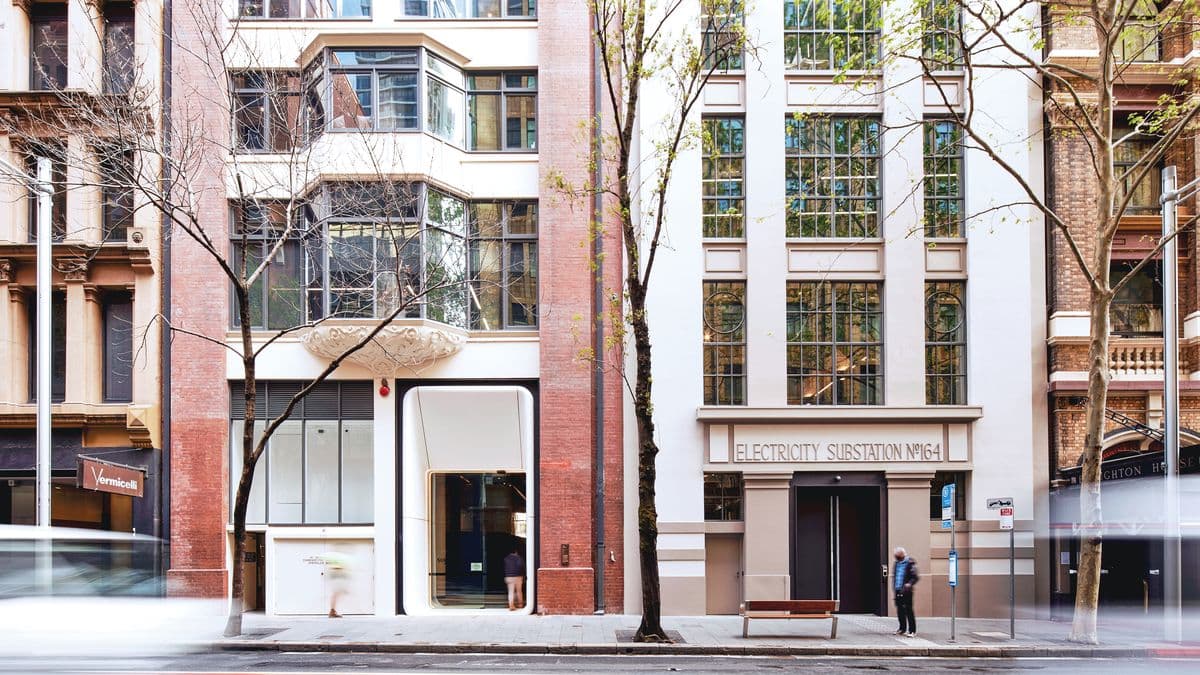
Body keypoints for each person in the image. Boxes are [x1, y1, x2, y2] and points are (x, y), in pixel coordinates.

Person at [892, 547, 919, 637]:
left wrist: (909, 584)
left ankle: (912, 630)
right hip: (898, 589)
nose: (896, 557)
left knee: (909, 610)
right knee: (900, 610)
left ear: (902, 555)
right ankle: (902, 628)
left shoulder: (910, 563)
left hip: (907, 591)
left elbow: (915, 577)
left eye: (897, 556)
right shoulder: (896, 563)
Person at [322, 551, 352, 618]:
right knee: (336, 595)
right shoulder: (335, 568)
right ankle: (332, 611)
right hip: (337, 582)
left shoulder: (335, 568)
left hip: (337, 582)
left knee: (337, 595)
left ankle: (333, 611)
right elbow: (336, 573)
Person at [503, 546, 525, 611]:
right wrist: (524, 575)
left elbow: (504, 568)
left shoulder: (506, 558)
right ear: (516, 551)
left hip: (509, 577)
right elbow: (521, 567)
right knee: (519, 591)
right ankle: (520, 605)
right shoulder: (519, 558)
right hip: (518, 576)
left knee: (511, 592)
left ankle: (511, 605)